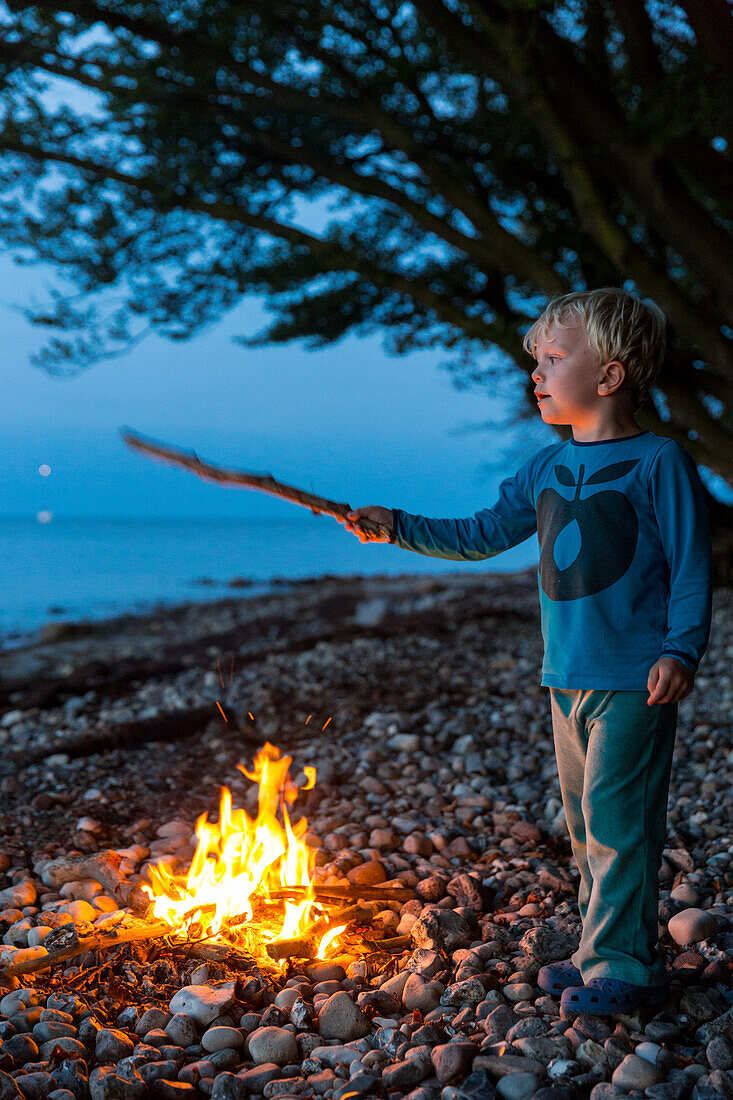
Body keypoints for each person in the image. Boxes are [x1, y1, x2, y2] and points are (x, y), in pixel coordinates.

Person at [338, 287, 714, 1016]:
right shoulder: (544, 468)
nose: (535, 374)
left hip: (634, 677)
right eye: (534, 360)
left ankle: (627, 971)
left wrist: (681, 649)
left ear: (608, 377)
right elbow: (480, 533)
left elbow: (693, 563)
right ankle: (603, 953)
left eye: (551, 358)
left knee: (618, 818)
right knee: (584, 825)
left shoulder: (657, 460)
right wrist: (398, 525)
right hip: (564, 675)